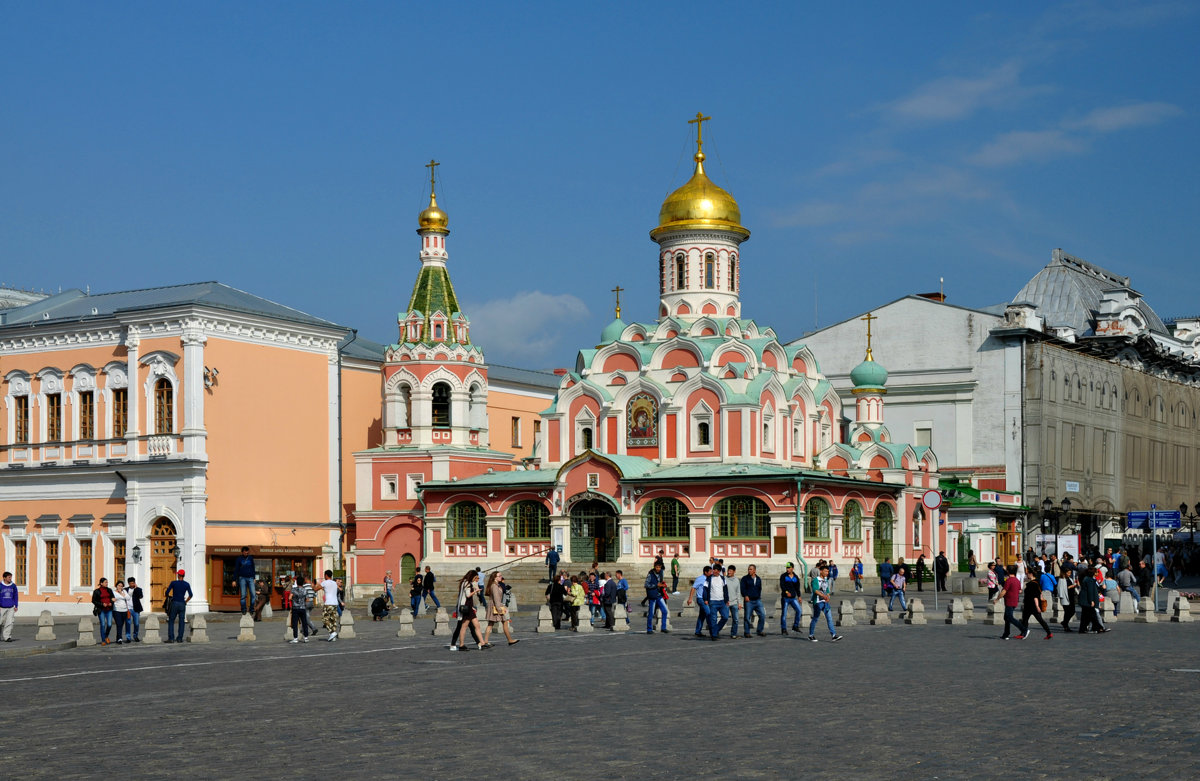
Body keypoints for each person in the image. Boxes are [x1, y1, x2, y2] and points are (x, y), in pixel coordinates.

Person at [450, 570, 484, 652]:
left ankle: (481, 642)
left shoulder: (466, 583)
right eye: (476, 578)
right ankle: (459, 644)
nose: (476, 579)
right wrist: (475, 591)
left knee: (476, 625)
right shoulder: (467, 583)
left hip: (469, 607)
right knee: (463, 627)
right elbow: (468, 595)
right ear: (472, 576)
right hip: (465, 608)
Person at [808, 564, 843, 642]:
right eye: (825, 571)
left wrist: (828, 597)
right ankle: (811, 635)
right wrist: (823, 596)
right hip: (817, 602)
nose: (827, 573)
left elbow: (827, 590)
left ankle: (833, 635)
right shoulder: (816, 580)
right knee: (815, 618)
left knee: (829, 618)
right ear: (821, 571)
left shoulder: (826, 579)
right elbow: (815, 590)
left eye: (827, 571)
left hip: (825, 602)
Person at [482, 572, 518, 647]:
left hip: (497, 605)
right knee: (493, 623)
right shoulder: (494, 586)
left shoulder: (497, 585)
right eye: (499, 576)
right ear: (495, 577)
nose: (501, 577)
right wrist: (499, 609)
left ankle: (509, 640)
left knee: (500, 622)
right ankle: (509, 640)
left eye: (501, 575)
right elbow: (496, 598)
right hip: (495, 606)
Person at [1017, 569, 1053, 640]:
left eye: (1027, 574)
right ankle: (1049, 633)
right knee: (1037, 620)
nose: (1026, 575)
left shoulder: (1032, 584)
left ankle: (1023, 634)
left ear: (1031, 574)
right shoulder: (1037, 583)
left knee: (1026, 619)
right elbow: (1039, 594)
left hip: (1031, 605)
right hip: (1032, 605)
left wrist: (1037, 606)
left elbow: (1035, 596)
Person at [994, 564, 1022, 640]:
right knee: (1006, 617)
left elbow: (1003, 591)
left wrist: (997, 599)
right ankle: (1006, 634)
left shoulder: (1009, 580)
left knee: (1009, 617)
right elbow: (1020, 590)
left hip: (1009, 601)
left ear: (1008, 571)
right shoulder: (1017, 580)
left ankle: (1023, 629)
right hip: (1015, 601)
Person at [164, 570, 192, 643]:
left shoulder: (174, 583)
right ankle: (180, 638)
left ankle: (171, 638)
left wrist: (169, 596)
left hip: (175, 603)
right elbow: (191, 595)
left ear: (179, 575)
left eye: (178, 574)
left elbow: (167, 592)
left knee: (171, 620)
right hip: (182, 603)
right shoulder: (187, 584)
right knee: (181, 621)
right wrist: (186, 602)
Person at [704, 566, 728, 641]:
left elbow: (725, 590)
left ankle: (716, 630)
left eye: (715, 570)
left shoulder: (723, 578)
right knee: (713, 619)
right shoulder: (709, 578)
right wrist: (705, 599)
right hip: (712, 601)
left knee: (725, 617)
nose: (713, 571)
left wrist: (727, 600)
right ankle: (714, 635)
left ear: (719, 571)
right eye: (713, 569)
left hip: (722, 601)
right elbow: (705, 589)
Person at [687, 566, 712, 637]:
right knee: (708, 613)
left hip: (707, 599)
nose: (711, 573)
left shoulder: (710, 579)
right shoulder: (700, 579)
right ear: (705, 572)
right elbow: (693, 588)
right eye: (710, 571)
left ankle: (698, 631)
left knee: (702, 616)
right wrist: (690, 599)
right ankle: (712, 631)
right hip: (701, 599)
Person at [740, 564, 765, 637]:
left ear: (754, 570)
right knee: (747, 617)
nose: (749, 571)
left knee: (762, 615)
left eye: (751, 569)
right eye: (748, 569)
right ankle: (747, 632)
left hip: (757, 600)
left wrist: (758, 596)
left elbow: (760, 588)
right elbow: (742, 588)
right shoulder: (745, 578)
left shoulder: (758, 579)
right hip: (749, 601)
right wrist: (745, 595)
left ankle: (760, 630)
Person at [778, 562, 803, 634]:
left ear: (792, 568)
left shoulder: (795, 577)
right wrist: (786, 592)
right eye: (787, 568)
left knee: (799, 611)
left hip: (793, 598)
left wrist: (799, 596)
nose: (787, 569)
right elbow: (782, 586)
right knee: (784, 614)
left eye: (789, 568)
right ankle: (783, 629)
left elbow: (797, 588)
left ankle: (795, 626)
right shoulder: (783, 576)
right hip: (785, 598)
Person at [644, 563, 669, 634]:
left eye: (659, 567)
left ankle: (663, 627)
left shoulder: (661, 573)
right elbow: (646, 585)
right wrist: (656, 585)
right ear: (654, 567)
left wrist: (662, 585)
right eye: (657, 567)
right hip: (652, 596)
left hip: (659, 595)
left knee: (665, 611)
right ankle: (649, 629)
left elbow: (660, 583)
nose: (658, 569)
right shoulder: (650, 574)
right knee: (651, 613)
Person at [232, 546, 256, 615]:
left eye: (247, 551)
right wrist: (234, 580)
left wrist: (254, 577)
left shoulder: (250, 558)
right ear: (242, 552)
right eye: (245, 551)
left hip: (251, 578)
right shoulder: (239, 559)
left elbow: (253, 568)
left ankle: (251, 609)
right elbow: (236, 569)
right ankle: (244, 609)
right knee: (243, 595)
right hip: (242, 578)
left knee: (253, 595)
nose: (246, 552)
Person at [92, 577, 115, 645]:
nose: (106, 583)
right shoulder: (96, 591)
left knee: (109, 624)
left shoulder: (109, 590)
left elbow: (112, 598)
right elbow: (94, 601)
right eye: (105, 582)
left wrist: (111, 602)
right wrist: (102, 604)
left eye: (107, 582)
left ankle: (106, 636)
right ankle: (103, 640)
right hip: (101, 610)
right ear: (101, 583)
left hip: (109, 609)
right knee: (102, 625)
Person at [319, 570, 341, 642]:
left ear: (326, 575)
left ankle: (332, 632)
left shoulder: (324, 582)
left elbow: (316, 588)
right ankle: (333, 635)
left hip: (328, 603)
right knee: (333, 619)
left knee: (325, 618)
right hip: (335, 603)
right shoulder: (334, 583)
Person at [288, 575, 311, 643]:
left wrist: (294, 599)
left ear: (297, 582)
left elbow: (289, 598)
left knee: (295, 623)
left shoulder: (293, 589)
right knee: (304, 622)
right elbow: (307, 599)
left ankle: (295, 638)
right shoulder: (305, 590)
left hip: (295, 608)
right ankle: (306, 637)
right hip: (302, 607)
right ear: (303, 582)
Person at [110, 581, 132, 646]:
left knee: (121, 624)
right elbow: (112, 599)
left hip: (124, 610)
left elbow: (128, 598)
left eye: (121, 586)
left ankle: (118, 638)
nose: (120, 587)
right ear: (116, 586)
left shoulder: (124, 591)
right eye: (119, 585)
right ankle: (119, 638)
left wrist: (121, 593)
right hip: (116, 610)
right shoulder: (113, 592)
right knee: (119, 624)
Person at [1057, 565, 1077, 632]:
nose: (1069, 574)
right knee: (1067, 612)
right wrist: (1070, 587)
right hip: (1065, 597)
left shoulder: (1070, 579)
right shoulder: (1061, 579)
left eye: (1070, 573)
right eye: (1068, 573)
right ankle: (1066, 626)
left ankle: (1065, 622)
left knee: (1072, 611)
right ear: (1064, 573)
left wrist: (1075, 586)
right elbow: (1060, 589)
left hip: (1071, 597)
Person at [1, 571, 18, 642]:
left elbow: (15, 596)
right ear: (4, 578)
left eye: (11, 577)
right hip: (1, 607)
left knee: (9, 622)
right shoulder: (0, 585)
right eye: (9, 577)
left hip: (11, 607)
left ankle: (7, 637)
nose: (10, 578)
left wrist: (16, 605)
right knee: (0, 622)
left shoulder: (13, 586)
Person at [725, 564, 741, 638]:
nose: (729, 572)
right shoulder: (724, 579)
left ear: (734, 571)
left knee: (736, 619)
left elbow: (738, 592)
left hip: (734, 602)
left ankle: (733, 634)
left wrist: (739, 603)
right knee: (724, 618)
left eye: (730, 571)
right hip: (726, 603)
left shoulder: (737, 580)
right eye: (728, 570)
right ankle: (715, 632)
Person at [125, 576, 143, 642]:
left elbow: (140, 596)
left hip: (136, 609)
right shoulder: (125, 590)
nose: (132, 584)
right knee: (128, 623)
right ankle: (128, 637)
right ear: (128, 583)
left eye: (133, 583)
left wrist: (136, 588)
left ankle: (135, 635)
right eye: (130, 583)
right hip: (128, 609)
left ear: (135, 583)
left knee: (136, 623)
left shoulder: (139, 589)